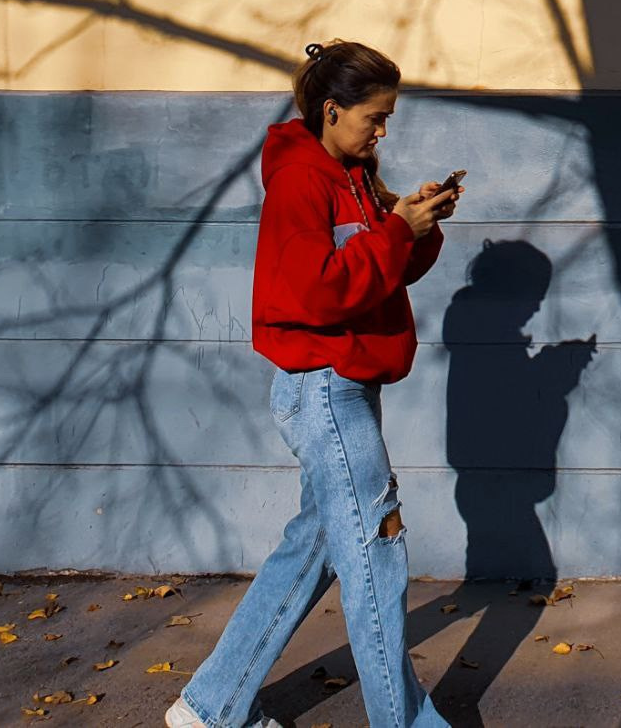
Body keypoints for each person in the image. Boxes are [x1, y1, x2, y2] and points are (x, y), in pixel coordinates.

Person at [165, 39, 459, 728]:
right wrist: (393, 230)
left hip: (345, 381)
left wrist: (416, 226)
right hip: (324, 386)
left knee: (320, 545)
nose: (384, 129)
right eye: (375, 116)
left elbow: (377, 279)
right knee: (379, 548)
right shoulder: (302, 179)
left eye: (389, 117)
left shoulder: (350, 171)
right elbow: (318, 292)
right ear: (332, 111)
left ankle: (209, 706)